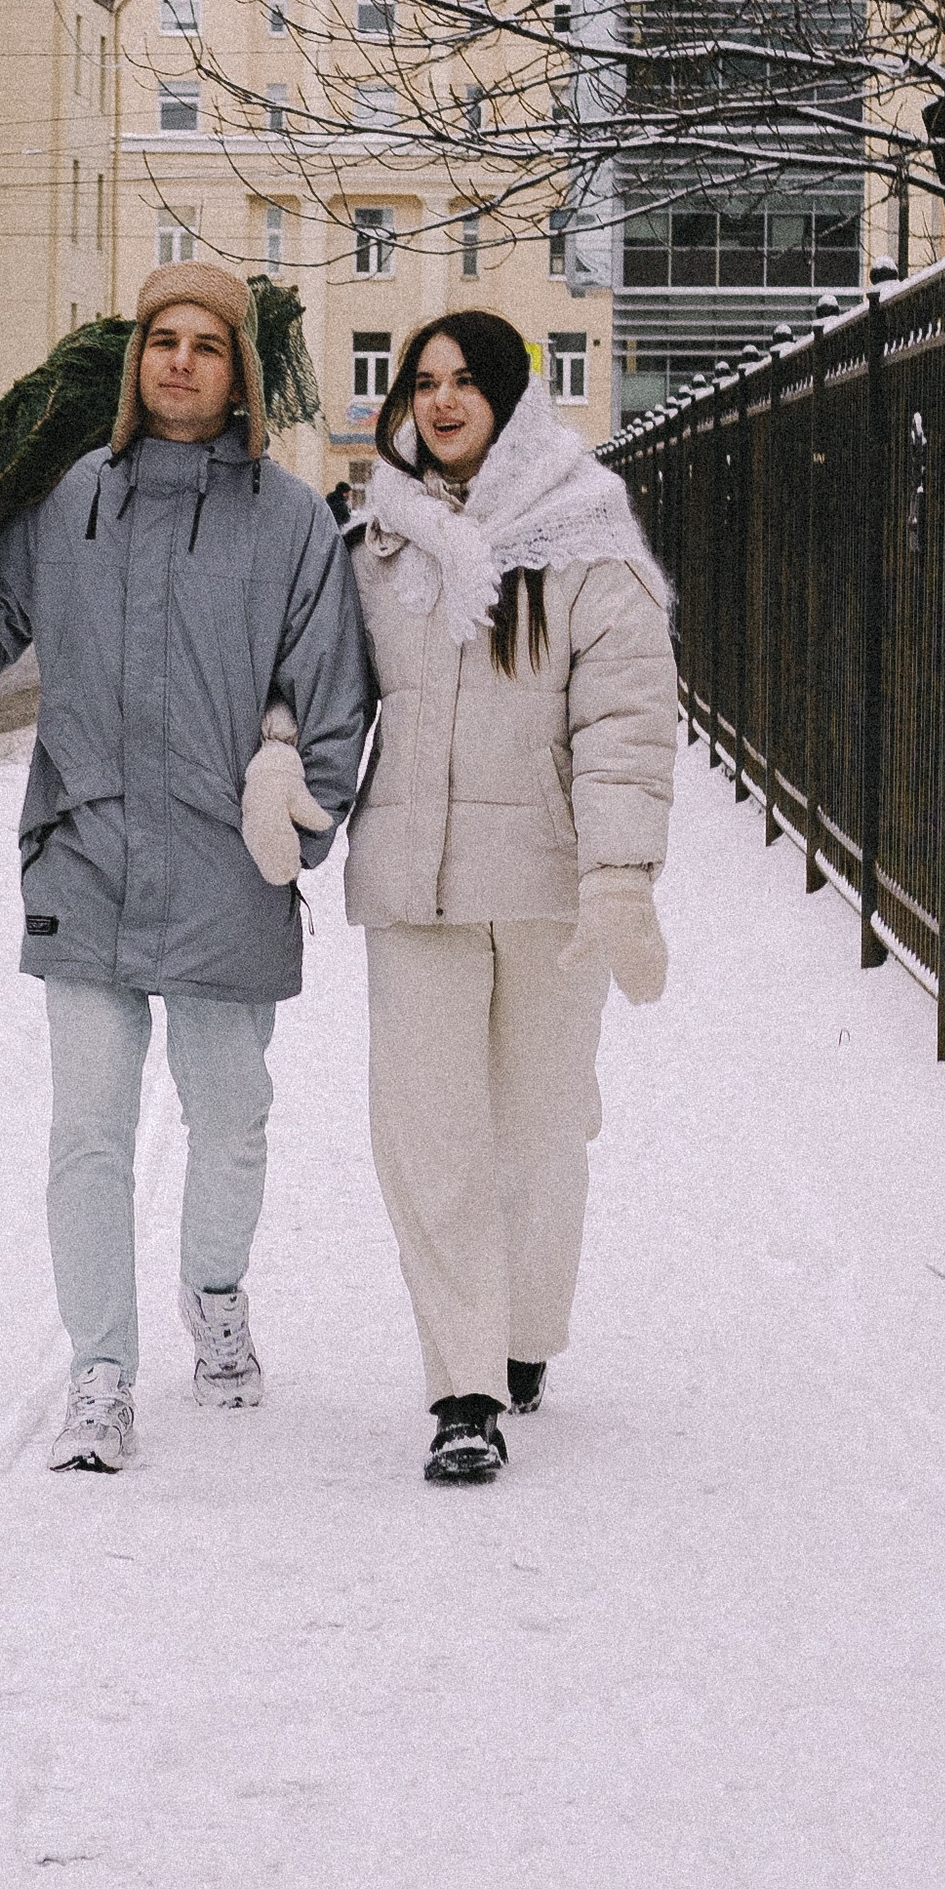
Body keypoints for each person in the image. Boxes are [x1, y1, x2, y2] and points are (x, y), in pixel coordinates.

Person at [0, 266, 372, 1471]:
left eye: (205, 346)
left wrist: (296, 829)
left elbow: (334, 701)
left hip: (229, 868)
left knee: (231, 1120)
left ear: (240, 376)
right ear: (133, 367)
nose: (178, 362)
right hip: (88, 855)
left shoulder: (291, 522)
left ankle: (214, 1295)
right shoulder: (70, 501)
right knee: (88, 1135)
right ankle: (100, 1371)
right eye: (160, 341)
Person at [343, 313, 676, 1486]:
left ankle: (526, 1329)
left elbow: (627, 719)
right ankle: (465, 1385)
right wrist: (286, 753)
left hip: (545, 891)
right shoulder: (378, 545)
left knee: (540, 1134)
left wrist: (620, 873)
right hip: (411, 886)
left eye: (462, 381)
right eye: (420, 383)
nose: (438, 402)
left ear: (510, 396)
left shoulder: (587, 538)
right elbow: (320, 685)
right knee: (429, 1139)